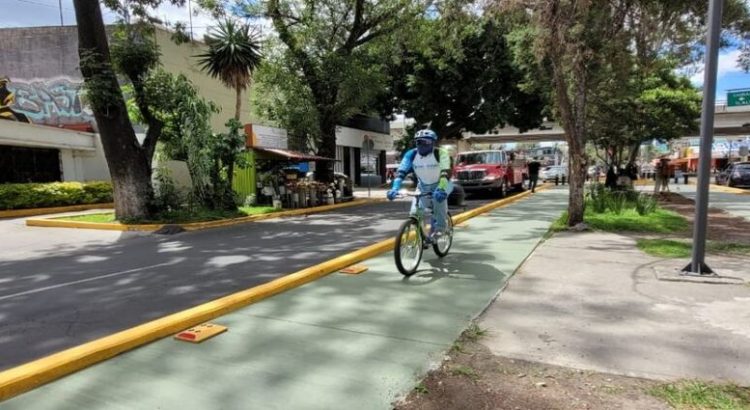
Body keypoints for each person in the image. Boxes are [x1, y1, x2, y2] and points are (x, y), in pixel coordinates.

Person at [387, 129, 454, 238]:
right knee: (415, 213)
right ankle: (421, 236)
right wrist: (394, 188)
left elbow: (445, 173)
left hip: (443, 183)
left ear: (433, 143)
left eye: (426, 142)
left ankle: (440, 228)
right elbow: (400, 173)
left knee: (438, 200)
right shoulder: (411, 154)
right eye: (418, 142)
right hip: (423, 186)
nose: (421, 145)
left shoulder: (441, 153)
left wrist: (441, 188)